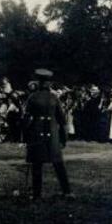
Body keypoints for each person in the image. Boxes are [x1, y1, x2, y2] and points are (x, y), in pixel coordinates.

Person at [23, 69, 72, 200]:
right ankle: (67, 191)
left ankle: (37, 194)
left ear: (38, 82)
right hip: (52, 133)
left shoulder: (32, 97)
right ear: (49, 83)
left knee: (37, 164)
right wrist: (63, 139)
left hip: (36, 133)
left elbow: (26, 119)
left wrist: (25, 137)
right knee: (58, 164)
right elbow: (62, 120)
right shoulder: (54, 98)